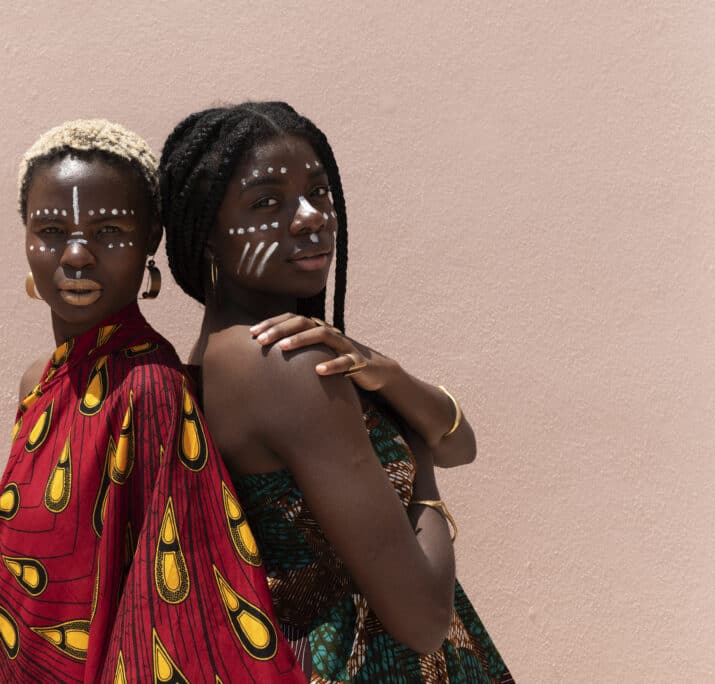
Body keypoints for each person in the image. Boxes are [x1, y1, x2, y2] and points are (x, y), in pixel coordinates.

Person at [159, 102, 513, 682]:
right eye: (267, 202)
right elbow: (423, 618)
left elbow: (462, 442)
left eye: (319, 192)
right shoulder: (285, 363)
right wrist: (419, 470)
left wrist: (386, 373)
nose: (310, 217)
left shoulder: (222, 354)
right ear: (206, 235)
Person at [0, 119, 305, 683]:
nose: (76, 255)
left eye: (108, 231)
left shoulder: (150, 390)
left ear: (151, 238)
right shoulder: (38, 380)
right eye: (52, 230)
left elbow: (168, 610)